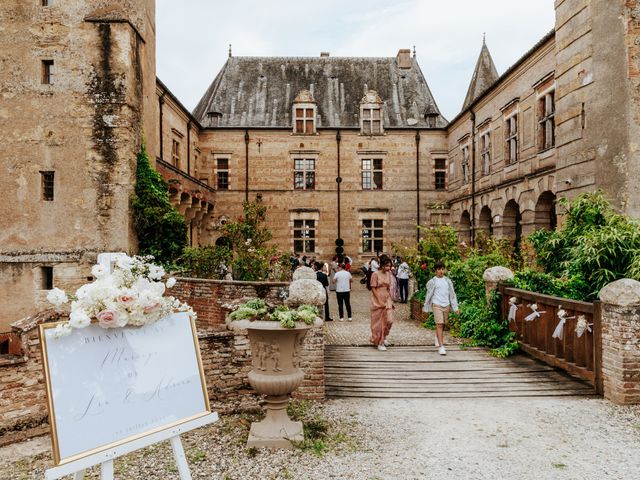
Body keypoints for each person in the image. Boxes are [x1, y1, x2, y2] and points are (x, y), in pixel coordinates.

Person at [422, 261, 460, 355]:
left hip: (446, 305)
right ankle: (441, 346)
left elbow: (452, 295)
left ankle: (437, 337)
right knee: (439, 324)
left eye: (443, 269)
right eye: (439, 269)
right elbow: (428, 295)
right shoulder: (433, 281)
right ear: (435, 271)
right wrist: (426, 307)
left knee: (443, 324)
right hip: (436, 304)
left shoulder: (448, 281)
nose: (441, 271)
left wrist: (455, 307)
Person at [370, 256, 394, 351]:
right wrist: (379, 300)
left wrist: (390, 300)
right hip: (378, 298)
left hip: (387, 298)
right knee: (379, 322)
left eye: (389, 266)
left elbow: (388, 288)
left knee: (389, 320)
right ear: (382, 265)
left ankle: (384, 336)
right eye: (387, 266)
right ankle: (380, 341)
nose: (388, 268)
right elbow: (373, 288)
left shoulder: (389, 274)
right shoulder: (375, 274)